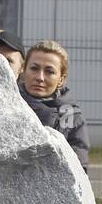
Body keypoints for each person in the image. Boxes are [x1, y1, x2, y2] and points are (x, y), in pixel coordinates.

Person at [19, 40, 89, 171]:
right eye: (34, 68)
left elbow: (79, 168)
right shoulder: (7, 106)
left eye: (49, 71)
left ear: (61, 79)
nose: (40, 77)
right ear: (23, 70)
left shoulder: (71, 117)